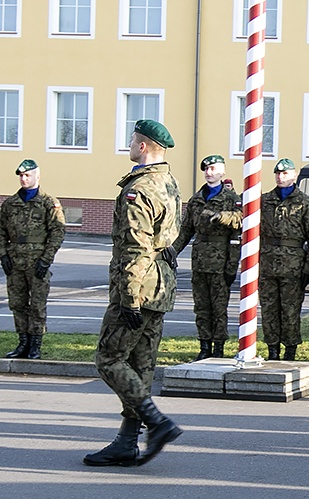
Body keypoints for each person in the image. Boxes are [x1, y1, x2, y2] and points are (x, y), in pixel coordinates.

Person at [84, 119, 183, 468]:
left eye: (132, 140)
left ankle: (157, 422)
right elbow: (170, 238)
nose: (129, 144)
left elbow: (134, 248)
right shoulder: (169, 183)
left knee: (108, 359)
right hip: (161, 285)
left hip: (139, 285)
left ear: (142, 147)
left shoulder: (138, 190)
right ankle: (126, 442)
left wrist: (128, 297)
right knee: (141, 366)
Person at [173, 154, 243, 361]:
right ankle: (204, 347)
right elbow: (186, 230)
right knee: (201, 307)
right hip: (200, 261)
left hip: (221, 263)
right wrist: (172, 251)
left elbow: (238, 230)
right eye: (206, 169)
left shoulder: (231, 199)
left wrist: (232, 266)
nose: (209, 173)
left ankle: (219, 348)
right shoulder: (196, 199)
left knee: (219, 308)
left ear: (222, 172)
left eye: (213, 169)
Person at [0, 160, 66, 360]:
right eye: (20, 175)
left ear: (37, 176)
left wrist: (46, 259)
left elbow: (58, 231)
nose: (23, 178)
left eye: (27, 175)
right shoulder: (10, 204)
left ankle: (35, 344)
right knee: (17, 303)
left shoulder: (48, 202)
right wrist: (3, 255)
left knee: (37, 304)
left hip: (38, 262)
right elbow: (1, 231)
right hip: (15, 261)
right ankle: (23, 342)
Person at [259, 158, 309, 361]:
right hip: (268, 264)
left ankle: (290, 349)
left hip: (294, 266)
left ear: (294, 175)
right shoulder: (264, 200)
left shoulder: (304, 203)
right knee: (269, 309)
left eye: (285, 173)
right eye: (278, 173)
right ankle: (272, 349)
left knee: (290, 311)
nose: (280, 177)